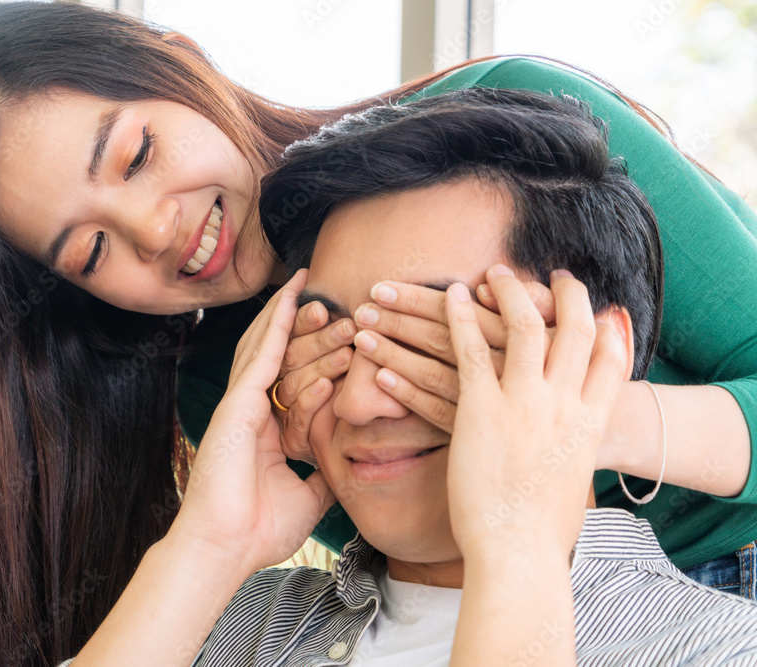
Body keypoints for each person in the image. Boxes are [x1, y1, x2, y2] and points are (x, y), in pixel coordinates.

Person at [0, 2, 757, 665]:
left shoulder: (505, 144)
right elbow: (416, 561)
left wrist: (571, 416)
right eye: (93, 248)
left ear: (184, 66)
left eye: (138, 153)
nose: (155, 230)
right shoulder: (225, 397)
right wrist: (210, 547)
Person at [65, 87, 757, 667]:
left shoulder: (712, 646)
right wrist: (209, 545)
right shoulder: (222, 622)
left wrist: (519, 540)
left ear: (592, 354)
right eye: (332, 342)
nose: (362, 399)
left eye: (424, 342)